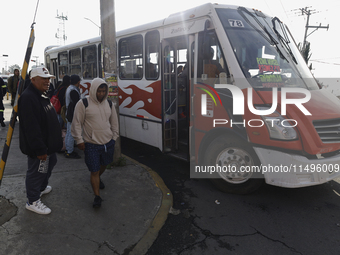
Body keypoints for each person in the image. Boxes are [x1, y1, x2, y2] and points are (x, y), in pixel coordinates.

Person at [18, 66, 63, 215]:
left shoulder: (41, 95)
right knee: (37, 171)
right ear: (34, 79)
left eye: (48, 78)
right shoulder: (28, 97)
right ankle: (32, 201)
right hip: (40, 148)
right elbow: (32, 128)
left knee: (51, 163)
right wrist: (40, 149)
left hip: (48, 145)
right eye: (44, 78)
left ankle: (41, 188)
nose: (48, 81)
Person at [71, 78, 119, 208]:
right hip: (91, 144)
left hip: (108, 142)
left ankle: (97, 178)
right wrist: (79, 140)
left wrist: (114, 138)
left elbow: (114, 122)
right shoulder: (83, 103)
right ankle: (97, 196)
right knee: (94, 171)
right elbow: (76, 124)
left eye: (104, 91)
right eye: (99, 91)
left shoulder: (109, 104)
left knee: (104, 165)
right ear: (93, 90)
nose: (101, 94)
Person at [64, 74, 81, 159]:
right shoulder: (73, 90)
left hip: (69, 113)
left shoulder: (69, 88)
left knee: (69, 132)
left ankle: (67, 149)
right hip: (72, 114)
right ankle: (70, 151)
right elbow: (77, 103)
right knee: (71, 133)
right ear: (78, 82)